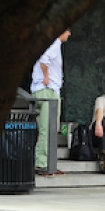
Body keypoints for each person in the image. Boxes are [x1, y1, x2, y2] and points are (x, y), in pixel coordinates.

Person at [31, 28, 71, 176]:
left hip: (44, 89)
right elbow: (44, 60)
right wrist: (46, 77)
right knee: (48, 127)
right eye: (67, 31)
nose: (69, 34)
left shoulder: (50, 43)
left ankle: (48, 163)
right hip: (48, 90)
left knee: (47, 127)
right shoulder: (54, 43)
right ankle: (42, 163)